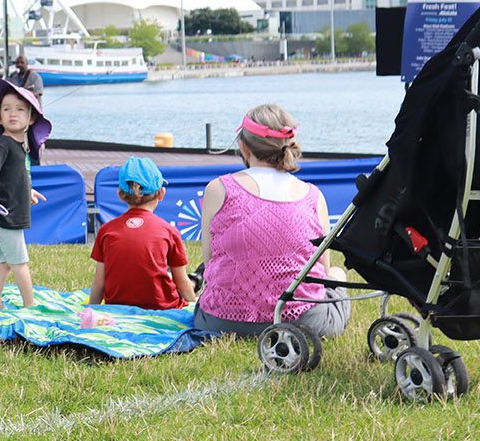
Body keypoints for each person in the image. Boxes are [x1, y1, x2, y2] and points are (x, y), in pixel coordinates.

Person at [193, 104, 352, 338]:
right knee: (337, 274)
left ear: (243, 145)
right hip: (305, 322)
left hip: (220, 320)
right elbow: (322, 270)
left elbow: (209, 260)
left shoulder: (218, 189)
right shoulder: (313, 195)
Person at [0, 77, 51, 310]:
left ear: (31, 118)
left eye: (20, 109)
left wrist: (28, 190)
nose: (13, 113)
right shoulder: (4, 144)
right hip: (4, 219)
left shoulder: (20, 147)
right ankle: (30, 305)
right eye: (6, 109)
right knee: (20, 264)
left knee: (4, 262)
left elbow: (16, 175)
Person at [89, 157, 196, 310]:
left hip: (117, 307)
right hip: (162, 307)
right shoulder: (168, 231)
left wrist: (91, 309)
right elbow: (181, 282)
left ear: (120, 194)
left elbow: (99, 282)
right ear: (161, 193)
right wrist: (193, 307)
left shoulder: (107, 230)